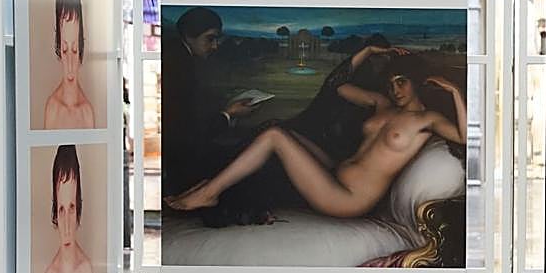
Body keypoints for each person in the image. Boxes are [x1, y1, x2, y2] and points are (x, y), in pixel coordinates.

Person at [165, 47, 466, 219]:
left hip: (348, 199)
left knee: (275, 139)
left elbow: (465, 137)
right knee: (274, 127)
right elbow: (335, 85)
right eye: (391, 82)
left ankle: (209, 193)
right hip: (334, 171)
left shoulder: (428, 120)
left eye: (402, 81)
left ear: (417, 82)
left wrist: (454, 91)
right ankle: (211, 184)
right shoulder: (382, 104)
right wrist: (369, 51)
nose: (395, 88)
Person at [160, 7, 257, 195]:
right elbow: (187, 131)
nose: (215, 46)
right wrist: (229, 114)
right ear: (189, 36)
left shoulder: (179, 56)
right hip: (178, 163)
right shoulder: (179, 65)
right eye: (210, 38)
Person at [41, 144, 94, 273]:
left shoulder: (85, 271)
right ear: (55, 213)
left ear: (78, 208)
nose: (66, 225)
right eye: (61, 210)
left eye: (71, 208)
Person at [42, 0, 95, 130]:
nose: (71, 64)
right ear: (58, 49)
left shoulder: (87, 112)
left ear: (81, 49)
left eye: (75, 50)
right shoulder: (53, 109)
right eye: (65, 50)